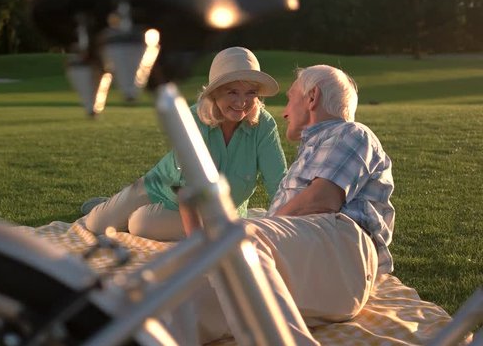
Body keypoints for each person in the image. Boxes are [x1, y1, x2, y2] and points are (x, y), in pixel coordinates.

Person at [191, 64, 395, 344]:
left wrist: (253, 227)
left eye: (289, 98)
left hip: (341, 251)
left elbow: (321, 200)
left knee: (235, 237)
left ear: (312, 98)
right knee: (191, 304)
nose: (284, 111)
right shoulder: (314, 148)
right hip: (302, 265)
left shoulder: (351, 133)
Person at [76, 46, 288, 241]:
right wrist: (198, 240)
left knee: (140, 223)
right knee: (96, 224)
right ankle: (108, 207)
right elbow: (186, 187)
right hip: (162, 186)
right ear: (215, 92)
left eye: (250, 93)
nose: (242, 103)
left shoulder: (264, 124)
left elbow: (278, 183)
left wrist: (287, 231)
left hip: (218, 211)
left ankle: (124, 213)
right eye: (232, 91)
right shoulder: (195, 117)